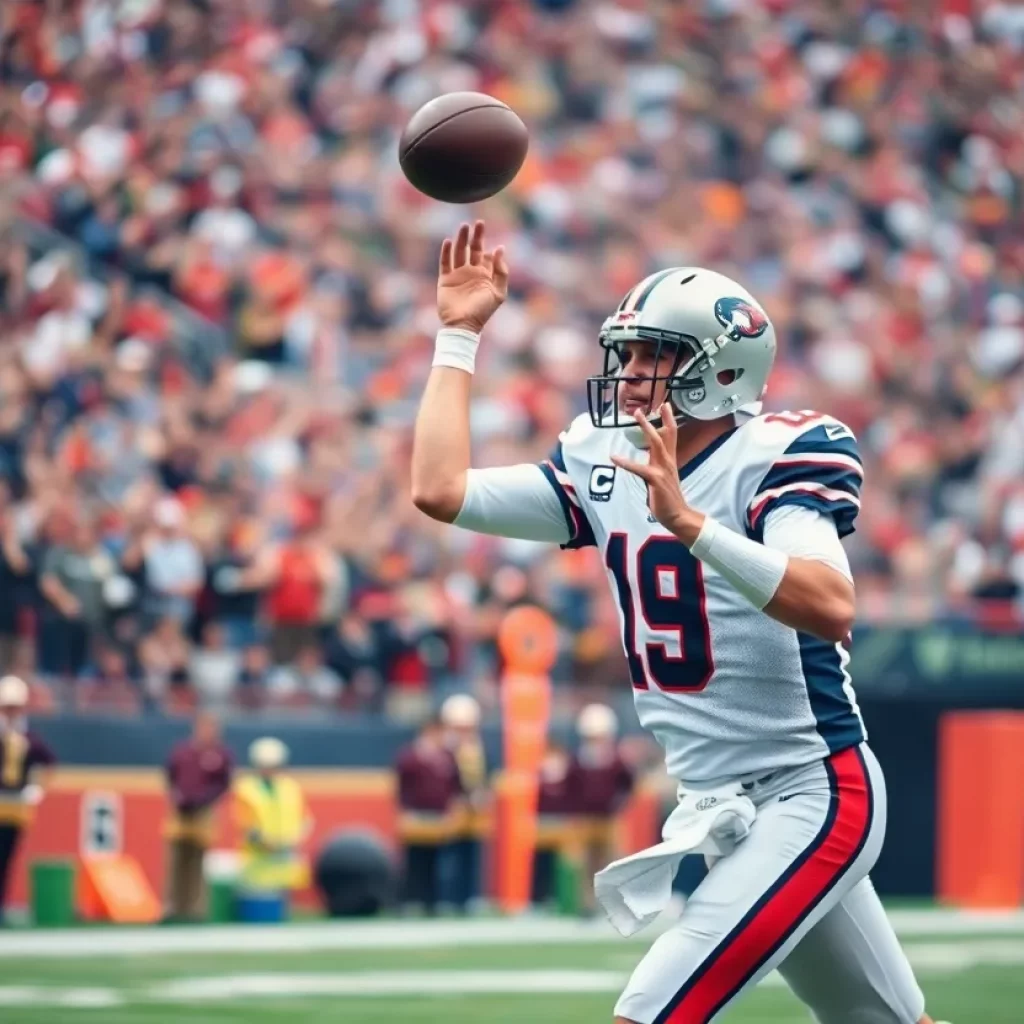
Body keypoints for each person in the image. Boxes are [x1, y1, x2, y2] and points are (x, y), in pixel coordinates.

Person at [411, 221, 946, 1024]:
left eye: (652, 355)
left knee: (649, 1015)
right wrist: (457, 337)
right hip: (721, 801)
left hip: (812, 788)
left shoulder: (779, 454)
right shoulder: (606, 459)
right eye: (624, 356)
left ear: (721, 366)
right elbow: (441, 489)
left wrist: (693, 524)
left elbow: (831, 606)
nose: (628, 376)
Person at [163, 713, 234, 922]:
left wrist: (205, 799)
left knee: (199, 859)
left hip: (203, 812)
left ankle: (196, 909)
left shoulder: (221, 754)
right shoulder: (183, 751)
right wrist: (177, 796)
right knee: (177, 858)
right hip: (181, 811)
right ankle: (173, 906)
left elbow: (224, 783)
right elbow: (170, 775)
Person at [568, 703, 634, 916]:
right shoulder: (579, 759)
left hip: (610, 818)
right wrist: (576, 811)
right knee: (587, 863)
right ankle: (587, 905)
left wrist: (618, 804)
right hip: (586, 818)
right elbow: (572, 786)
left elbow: (628, 784)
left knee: (612, 861)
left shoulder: (616, 759)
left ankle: (613, 905)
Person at [0, 676, 55, 925]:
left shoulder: (28, 737)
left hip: (16, 807)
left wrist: (36, 788)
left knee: (7, 857)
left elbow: (50, 763)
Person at [394, 717, 461, 917]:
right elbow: (402, 786)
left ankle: (431, 901)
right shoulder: (411, 756)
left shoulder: (448, 756)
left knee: (436, 860)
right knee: (415, 859)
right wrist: (405, 810)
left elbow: (455, 786)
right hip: (417, 814)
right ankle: (409, 900)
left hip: (439, 815)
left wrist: (452, 809)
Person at [232, 737, 312, 902]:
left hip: (285, 854)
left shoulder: (290, 788)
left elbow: (305, 819)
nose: (269, 770)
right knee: (258, 902)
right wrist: (263, 842)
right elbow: (243, 821)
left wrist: (293, 839)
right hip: (258, 857)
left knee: (282, 904)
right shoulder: (246, 788)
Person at [439, 693, 489, 914]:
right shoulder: (444, 749)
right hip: (451, 810)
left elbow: (483, 775)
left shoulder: (477, 748)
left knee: (472, 853)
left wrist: (482, 793)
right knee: (447, 853)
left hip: (474, 810)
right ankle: (447, 897)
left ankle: (470, 896)